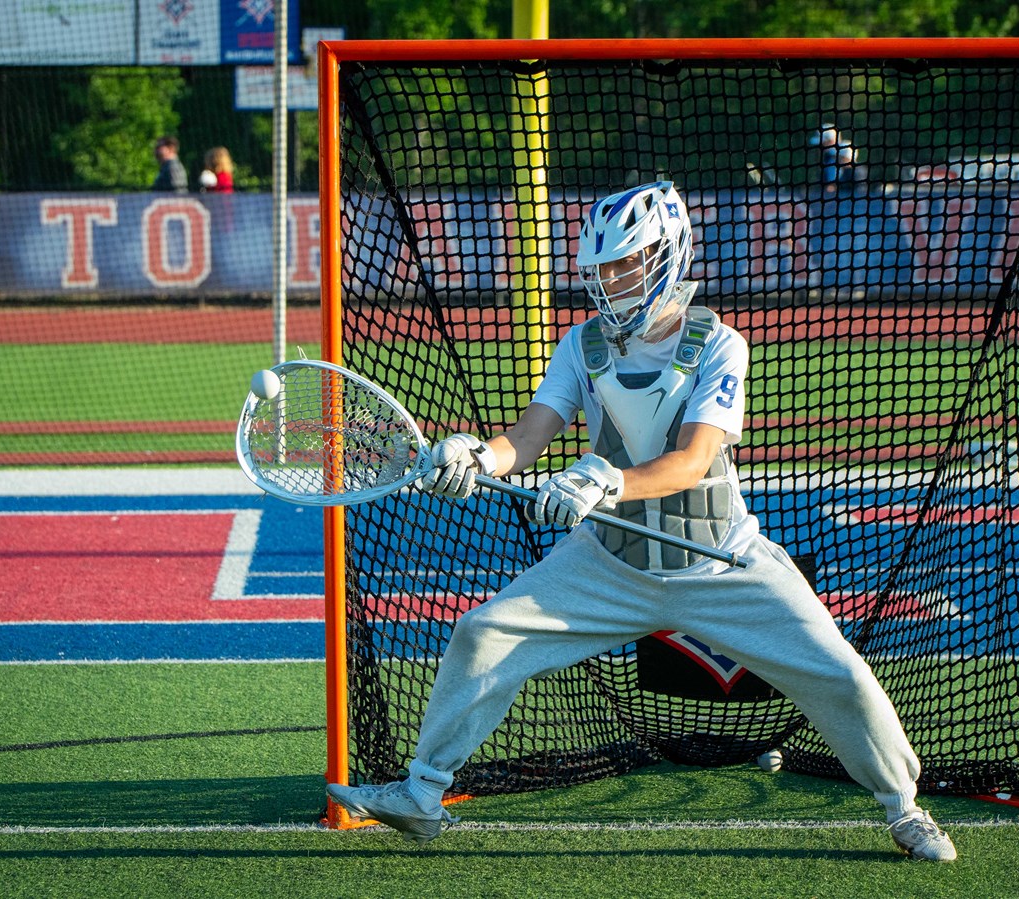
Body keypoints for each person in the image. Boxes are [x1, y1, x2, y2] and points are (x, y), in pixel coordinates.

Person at [326, 180, 957, 862]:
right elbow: (526, 439)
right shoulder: (582, 344)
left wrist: (606, 477)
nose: (611, 278)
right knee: (482, 631)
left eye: (627, 261)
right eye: (600, 267)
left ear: (668, 254)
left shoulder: (719, 344)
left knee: (840, 674)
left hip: (718, 560)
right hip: (609, 562)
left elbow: (692, 460)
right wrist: (473, 452)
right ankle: (423, 794)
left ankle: (903, 807)